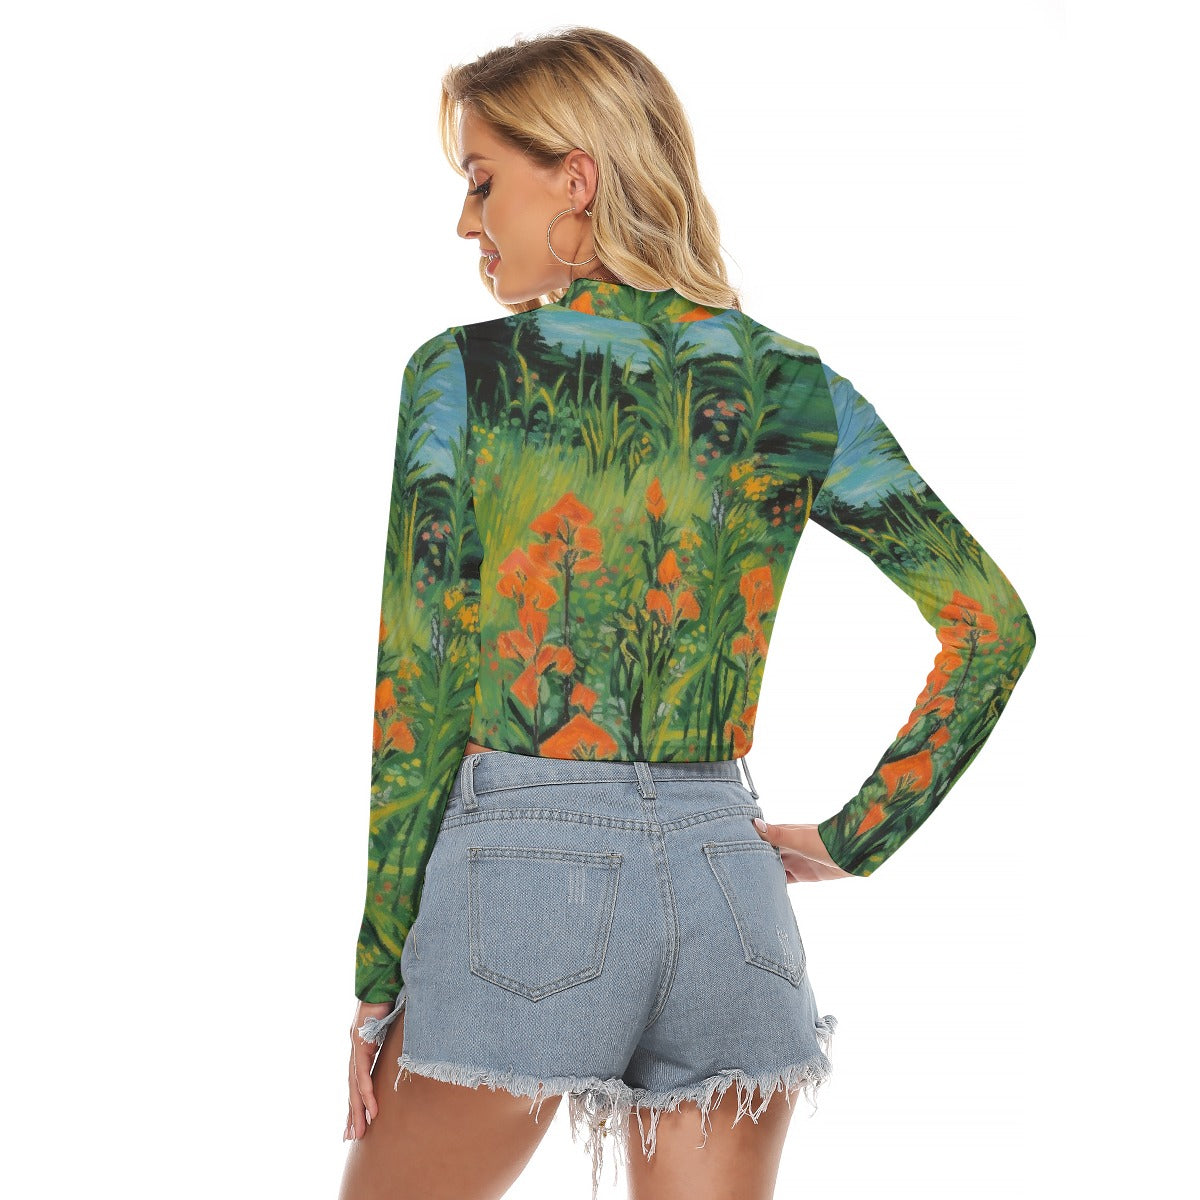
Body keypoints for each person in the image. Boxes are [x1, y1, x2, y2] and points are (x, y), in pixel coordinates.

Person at [338, 25, 1036, 1200]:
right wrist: (853, 838)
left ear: (577, 177)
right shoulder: (791, 388)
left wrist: (376, 978)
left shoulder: (464, 378)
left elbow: (419, 687)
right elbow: (992, 625)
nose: (466, 221)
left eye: (482, 181)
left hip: (523, 887)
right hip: (729, 891)